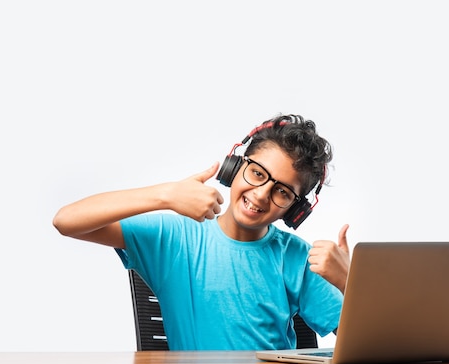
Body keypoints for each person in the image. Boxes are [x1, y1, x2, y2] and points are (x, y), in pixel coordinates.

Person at [53, 114, 350, 350]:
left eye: (282, 192)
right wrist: (165, 195)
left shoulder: (296, 257)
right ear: (234, 167)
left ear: (296, 211)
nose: (260, 195)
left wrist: (349, 282)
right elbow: (67, 220)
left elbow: (366, 345)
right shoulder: (173, 238)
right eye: (257, 173)